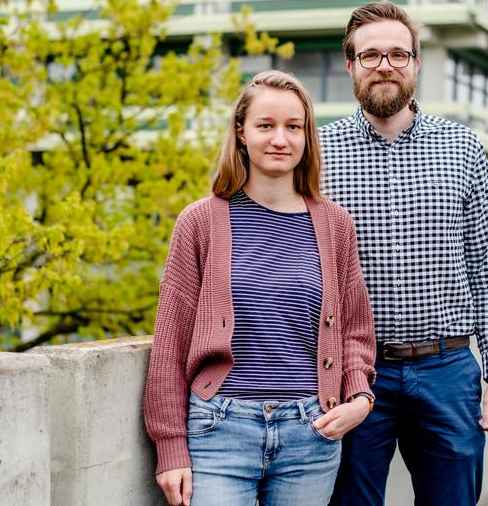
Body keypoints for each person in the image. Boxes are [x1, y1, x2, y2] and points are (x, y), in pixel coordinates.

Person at [143, 70, 376, 506]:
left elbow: (356, 330)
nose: (279, 139)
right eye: (265, 125)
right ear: (241, 132)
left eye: (293, 126)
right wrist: (170, 445)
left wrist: (359, 396)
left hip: (313, 432)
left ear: (307, 136)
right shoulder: (199, 222)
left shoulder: (335, 224)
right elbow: (170, 342)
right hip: (218, 430)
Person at [319, 1, 488, 505]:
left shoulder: (464, 148)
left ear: (416, 63)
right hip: (354, 376)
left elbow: (487, 271)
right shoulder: (318, 155)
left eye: (398, 54)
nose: (384, 65)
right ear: (350, 66)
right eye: (370, 56)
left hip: (448, 371)